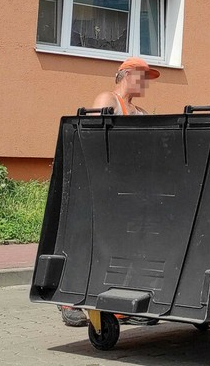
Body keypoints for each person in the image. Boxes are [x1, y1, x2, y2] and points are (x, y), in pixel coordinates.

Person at [59, 56, 161, 328]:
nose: (145, 83)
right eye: (142, 76)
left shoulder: (139, 112)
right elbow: (92, 140)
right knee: (92, 244)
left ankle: (118, 308)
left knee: (126, 247)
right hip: (102, 188)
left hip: (129, 193)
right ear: (126, 74)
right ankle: (70, 302)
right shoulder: (108, 99)